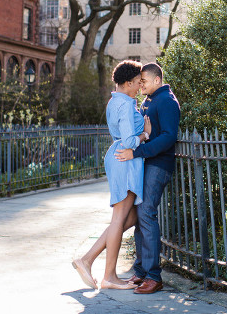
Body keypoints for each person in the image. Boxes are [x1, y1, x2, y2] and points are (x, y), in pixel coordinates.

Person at [72, 60, 151, 290]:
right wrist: (145, 135)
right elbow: (128, 141)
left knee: (131, 217)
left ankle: (87, 259)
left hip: (120, 158)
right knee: (119, 219)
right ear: (127, 83)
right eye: (137, 83)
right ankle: (109, 276)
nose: (139, 87)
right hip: (124, 159)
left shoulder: (115, 100)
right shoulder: (126, 104)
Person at [115, 62, 180, 294]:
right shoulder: (149, 100)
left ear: (156, 80)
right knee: (141, 214)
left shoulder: (167, 101)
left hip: (159, 165)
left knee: (146, 213)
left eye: (143, 80)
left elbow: (169, 137)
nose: (140, 84)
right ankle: (141, 272)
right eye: (138, 81)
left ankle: (154, 276)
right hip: (145, 164)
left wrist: (138, 151)